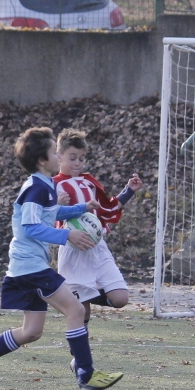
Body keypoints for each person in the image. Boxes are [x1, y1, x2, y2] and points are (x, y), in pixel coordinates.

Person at [0, 126, 124, 390]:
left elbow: (51, 211)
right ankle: (86, 374)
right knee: (76, 311)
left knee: (32, 331)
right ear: (42, 160)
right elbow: (32, 226)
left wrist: (81, 208)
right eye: (53, 152)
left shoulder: (44, 185)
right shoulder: (35, 188)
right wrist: (66, 233)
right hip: (32, 269)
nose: (59, 156)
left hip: (26, 268)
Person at [52, 128, 144, 323]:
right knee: (81, 313)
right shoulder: (53, 185)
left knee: (120, 299)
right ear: (59, 156)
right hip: (74, 249)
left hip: (98, 246)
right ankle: (80, 353)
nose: (77, 163)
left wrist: (128, 191)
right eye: (73, 157)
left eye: (82, 158)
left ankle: (72, 296)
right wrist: (58, 205)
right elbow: (46, 218)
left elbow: (108, 210)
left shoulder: (89, 182)